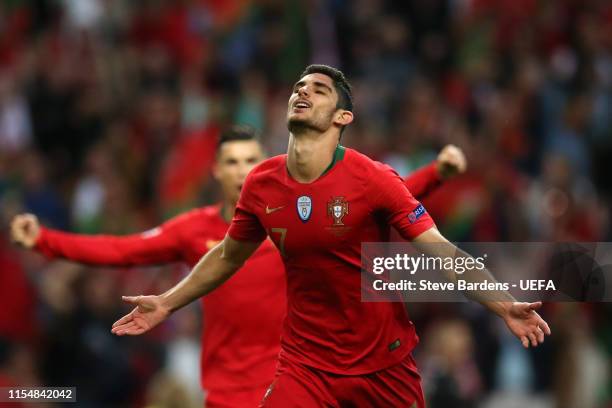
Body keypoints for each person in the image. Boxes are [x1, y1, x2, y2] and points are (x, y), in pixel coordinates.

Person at [107, 65, 551, 406]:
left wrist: (503, 304)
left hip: (382, 363)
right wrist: (167, 301)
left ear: (343, 116)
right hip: (305, 364)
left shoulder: (373, 179)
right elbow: (227, 255)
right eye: (300, 87)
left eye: (319, 90)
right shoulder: (262, 184)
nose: (303, 91)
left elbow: (441, 251)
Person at [10, 125, 466, 407]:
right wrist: (46, 240)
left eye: (250, 159)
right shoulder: (195, 231)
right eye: (231, 161)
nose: (242, 169)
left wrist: (437, 174)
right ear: (216, 171)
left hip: (300, 385)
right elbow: (121, 250)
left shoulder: (292, 217)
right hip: (228, 395)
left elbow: (381, 199)